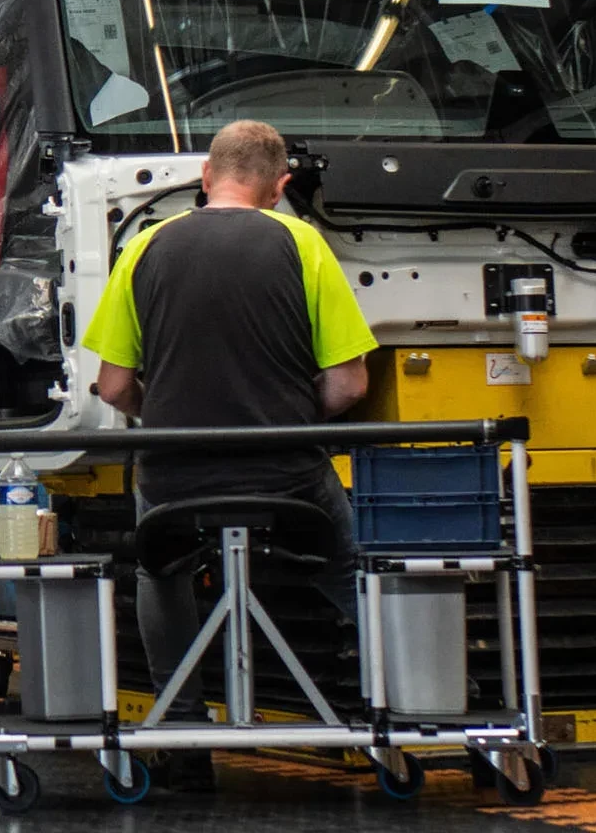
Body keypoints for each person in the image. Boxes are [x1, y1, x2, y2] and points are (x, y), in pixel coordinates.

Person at [81, 120, 378, 791]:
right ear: (280, 187)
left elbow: (114, 386)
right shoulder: (302, 243)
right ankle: (427, 696)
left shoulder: (146, 247)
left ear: (207, 176)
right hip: (285, 473)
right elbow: (349, 384)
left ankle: (184, 735)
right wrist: (293, 417)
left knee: (162, 572)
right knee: (346, 564)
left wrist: (161, 416)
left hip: (177, 475)